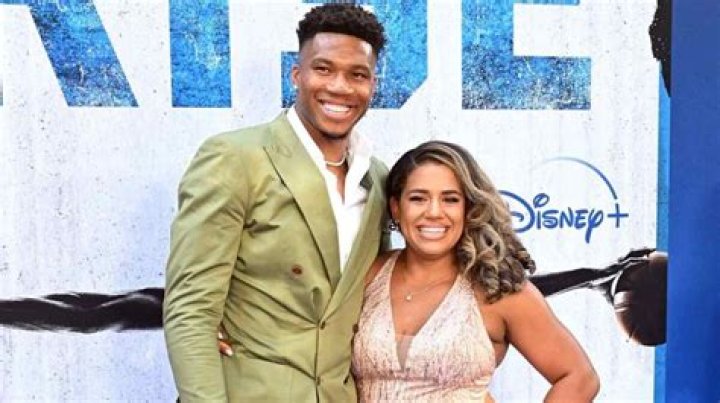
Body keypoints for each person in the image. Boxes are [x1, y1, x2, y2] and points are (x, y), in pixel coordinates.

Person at [163, 4, 391, 402]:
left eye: (357, 74)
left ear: (372, 84)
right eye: (324, 69)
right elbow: (190, 309)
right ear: (297, 75)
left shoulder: (378, 179)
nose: (340, 87)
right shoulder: (235, 158)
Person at [350, 141, 599, 401]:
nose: (434, 212)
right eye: (418, 198)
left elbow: (579, 377)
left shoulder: (496, 289)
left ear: (468, 209)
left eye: (450, 199)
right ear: (396, 208)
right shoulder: (369, 275)